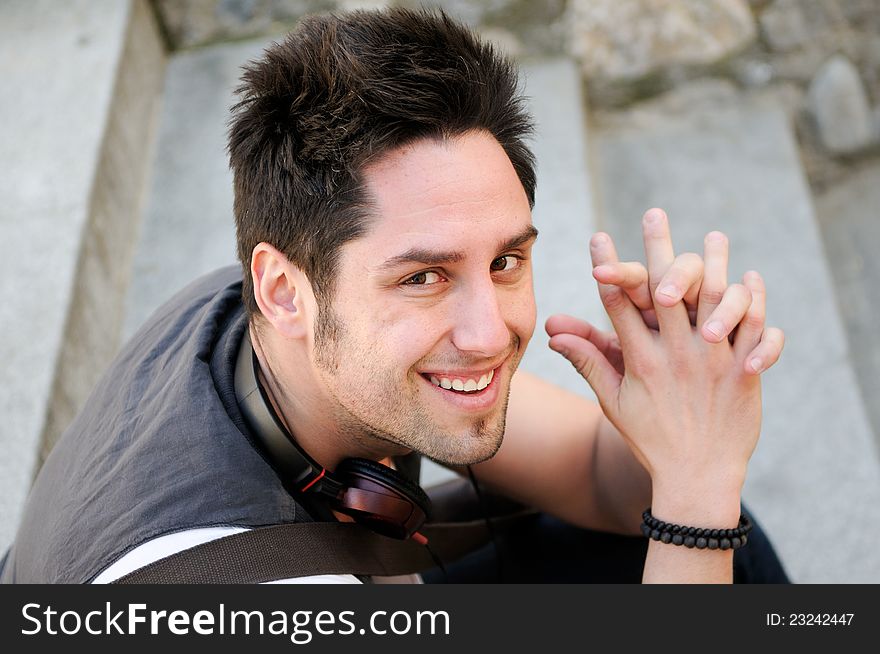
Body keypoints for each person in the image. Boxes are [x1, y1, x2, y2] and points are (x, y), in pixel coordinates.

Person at [0, 8, 786, 584]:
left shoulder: (251, 325)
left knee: (715, 535)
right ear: (285, 290)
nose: (490, 333)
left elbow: (592, 477)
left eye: (507, 260)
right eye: (424, 277)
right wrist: (696, 497)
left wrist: (681, 423)